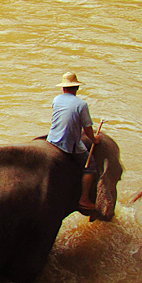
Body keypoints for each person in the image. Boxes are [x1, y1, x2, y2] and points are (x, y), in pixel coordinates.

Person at [47, 72, 101, 211]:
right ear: (76, 88)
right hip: (67, 143)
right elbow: (88, 129)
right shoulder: (81, 104)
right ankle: (83, 199)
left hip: (52, 138)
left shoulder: (56, 99)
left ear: (63, 88)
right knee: (90, 166)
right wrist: (95, 139)